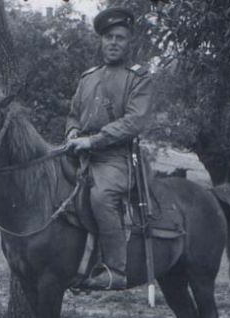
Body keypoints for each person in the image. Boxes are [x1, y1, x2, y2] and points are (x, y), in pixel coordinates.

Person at [65, 7, 154, 290]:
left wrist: (93, 140)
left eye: (120, 37)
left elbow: (134, 121)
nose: (113, 42)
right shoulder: (87, 77)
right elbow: (73, 114)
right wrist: (72, 132)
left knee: (101, 196)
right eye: (108, 37)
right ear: (101, 41)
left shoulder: (138, 78)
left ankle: (115, 270)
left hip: (116, 157)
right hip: (79, 153)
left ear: (129, 42)